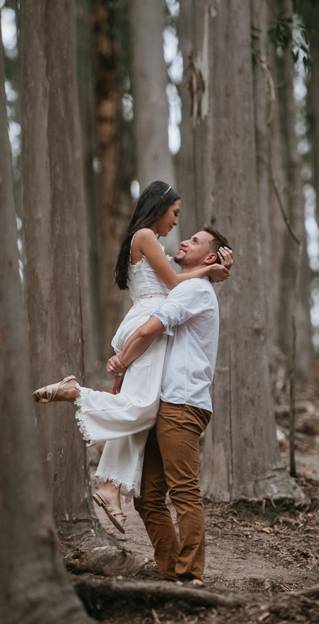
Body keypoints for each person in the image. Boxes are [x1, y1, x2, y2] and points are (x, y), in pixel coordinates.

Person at [32, 181, 232, 534]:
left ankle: (111, 487)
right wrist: (211, 272)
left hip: (150, 319)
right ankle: (77, 392)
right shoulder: (145, 237)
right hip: (150, 320)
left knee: (142, 408)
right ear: (159, 206)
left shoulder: (148, 242)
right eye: (175, 213)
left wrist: (213, 270)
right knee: (141, 408)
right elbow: (174, 282)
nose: (176, 223)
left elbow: (175, 280)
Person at [105, 226, 230, 585]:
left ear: (209, 256)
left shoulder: (192, 289)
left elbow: (149, 328)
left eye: (195, 241)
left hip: (182, 402)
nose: (185, 240)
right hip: (167, 402)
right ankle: (173, 568)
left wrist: (121, 362)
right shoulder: (192, 284)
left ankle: (191, 574)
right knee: (148, 498)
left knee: (183, 490)